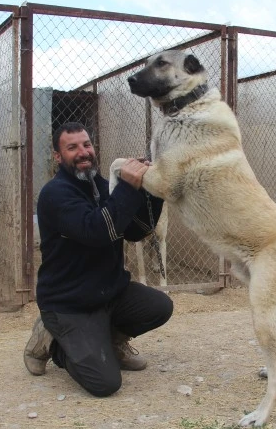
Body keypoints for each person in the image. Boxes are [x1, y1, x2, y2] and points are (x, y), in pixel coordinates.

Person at [24, 121, 173, 397]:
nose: (83, 152)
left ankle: (112, 342)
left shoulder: (102, 185)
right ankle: (53, 341)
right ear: (58, 157)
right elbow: (98, 231)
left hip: (109, 293)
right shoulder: (55, 195)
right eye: (72, 148)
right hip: (70, 302)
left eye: (86, 144)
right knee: (105, 384)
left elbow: (134, 231)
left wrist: (152, 190)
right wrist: (128, 189)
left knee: (160, 306)